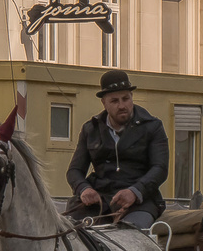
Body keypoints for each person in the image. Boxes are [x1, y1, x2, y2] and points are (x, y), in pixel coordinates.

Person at [65, 69, 169, 230]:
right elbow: (74, 170)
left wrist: (134, 192)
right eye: (114, 101)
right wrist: (84, 189)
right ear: (104, 103)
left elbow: (160, 168)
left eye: (126, 99)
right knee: (69, 234)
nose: (122, 106)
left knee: (131, 234)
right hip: (98, 202)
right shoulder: (90, 129)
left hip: (140, 202)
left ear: (131, 97)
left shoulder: (153, 127)